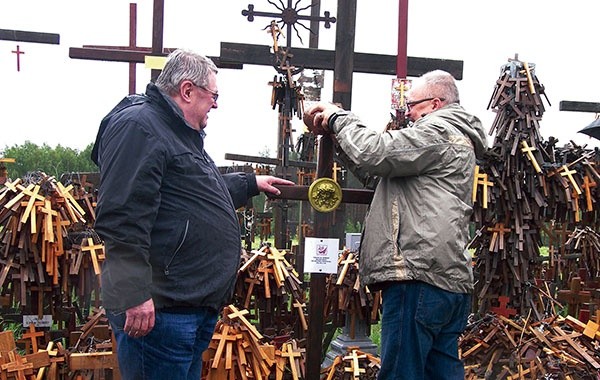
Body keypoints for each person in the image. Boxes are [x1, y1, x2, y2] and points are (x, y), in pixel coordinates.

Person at [91, 49, 294, 380]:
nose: (216, 104)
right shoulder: (140, 128)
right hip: (159, 310)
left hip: (185, 308)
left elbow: (192, 194)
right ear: (187, 91)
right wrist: (135, 293)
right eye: (213, 95)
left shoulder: (176, 133)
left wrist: (250, 183)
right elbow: (122, 217)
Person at [304, 70, 487, 380]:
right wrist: (339, 139)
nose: (407, 115)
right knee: (440, 372)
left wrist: (338, 117)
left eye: (411, 106)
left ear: (433, 103)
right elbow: (379, 174)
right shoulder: (456, 137)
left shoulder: (439, 130)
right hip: (445, 278)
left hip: (417, 275)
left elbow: (376, 152)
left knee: (401, 373)